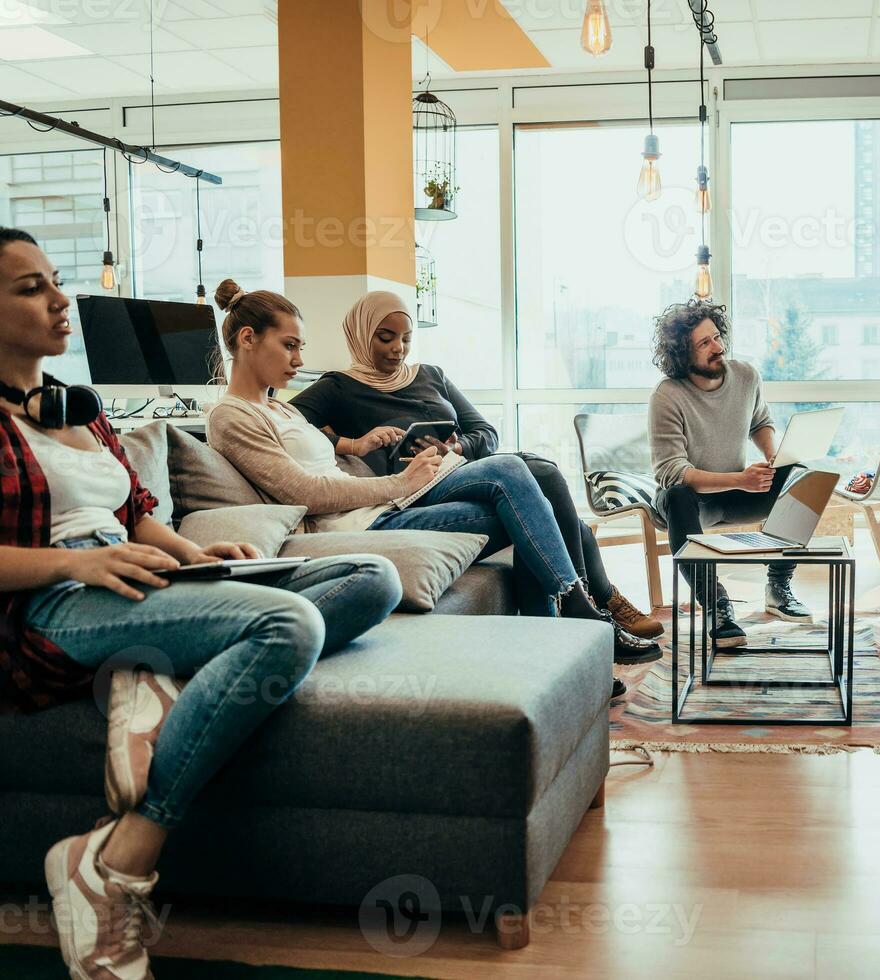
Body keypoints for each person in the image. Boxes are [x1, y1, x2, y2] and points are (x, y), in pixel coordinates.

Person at [0, 228, 403, 979]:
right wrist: (77, 561)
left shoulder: (77, 408)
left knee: (371, 578)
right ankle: (115, 859)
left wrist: (194, 554)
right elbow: (89, 547)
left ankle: (156, 681)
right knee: (290, 624)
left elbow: (137, 510)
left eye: (55, 279)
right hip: (56, 605)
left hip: (143, 581)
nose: (61, 299)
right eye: (30, 288)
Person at [204, 281, 657, 684]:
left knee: (527, 511)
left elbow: (322, 460)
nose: (299, 359)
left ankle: (559, 653)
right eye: (290, 346)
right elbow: (305, 492)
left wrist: (357, 447)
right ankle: (578, 612)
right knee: (512, 473)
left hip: (383, 508)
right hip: (361, 528)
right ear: (248, 339)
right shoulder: (233, 416)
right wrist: (398, 482)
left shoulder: (280, 409)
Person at [287, 291, 662, 640]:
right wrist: (354, 443)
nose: (397, 349)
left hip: (457, 471)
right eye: (385, 337)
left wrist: (457, 445)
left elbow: (484, 431)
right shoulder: (338, 387)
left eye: (405, 338)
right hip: (410, 489)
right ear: (360, 334)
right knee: (540, 476)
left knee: (541, 503)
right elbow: (285, 422)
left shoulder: (430, 375)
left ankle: (563, 630)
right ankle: (592, 603)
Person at [648, 300, 809, 648]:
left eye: (717, 337)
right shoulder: (668, 396)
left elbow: (761, 422)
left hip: (737, 495)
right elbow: (671, 470)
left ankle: (778, 587)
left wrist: (774, 456)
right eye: (704, 343)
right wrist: (740, 480)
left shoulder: (746, 376)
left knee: (802, 476)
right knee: (676, 496)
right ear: (682, 354)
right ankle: (716, 605)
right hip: (691, 501)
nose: (717, 347)